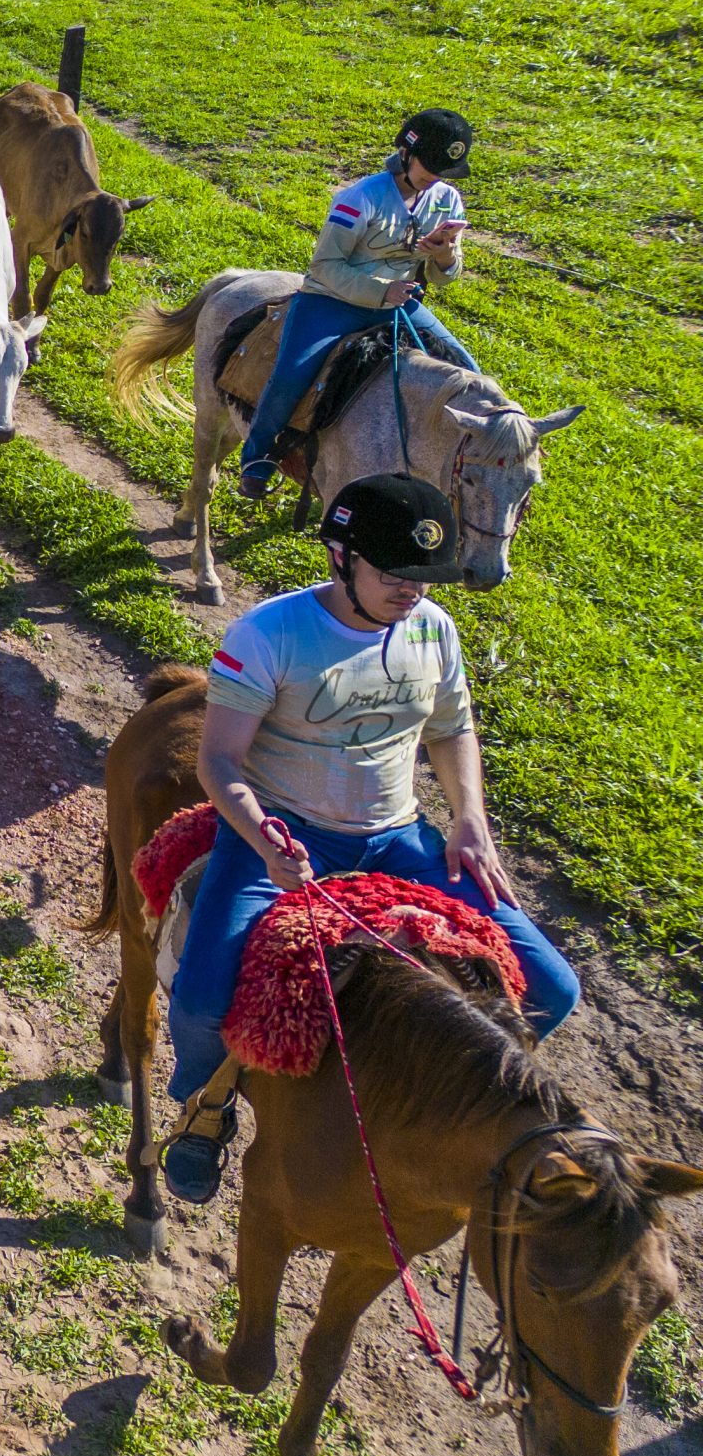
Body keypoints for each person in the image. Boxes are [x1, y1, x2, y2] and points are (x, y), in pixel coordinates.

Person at [158, 474, 579, 1203]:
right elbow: (218, 761)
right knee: (199, 996)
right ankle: (206, 1108)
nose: (411, 591)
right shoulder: (267, 634)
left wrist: (470, 818)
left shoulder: (432, 628)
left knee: (553, 986)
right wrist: (263, 840)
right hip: (286, 837)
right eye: (394, 574)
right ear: (339, 556)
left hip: (399, 840)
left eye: (424, 577)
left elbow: (452, 729)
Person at [236, 109, 481, 501]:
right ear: (405, 151)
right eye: (429, 165)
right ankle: (258, 456)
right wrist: (382, 291)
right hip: (331, 301)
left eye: (444, 170)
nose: (435, 176)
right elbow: (325, 266)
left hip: (402, 303)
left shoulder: (447, 199)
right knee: (290, 376)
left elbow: (443, 276)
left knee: (467, 369)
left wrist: (444, 258)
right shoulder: (359, 198)